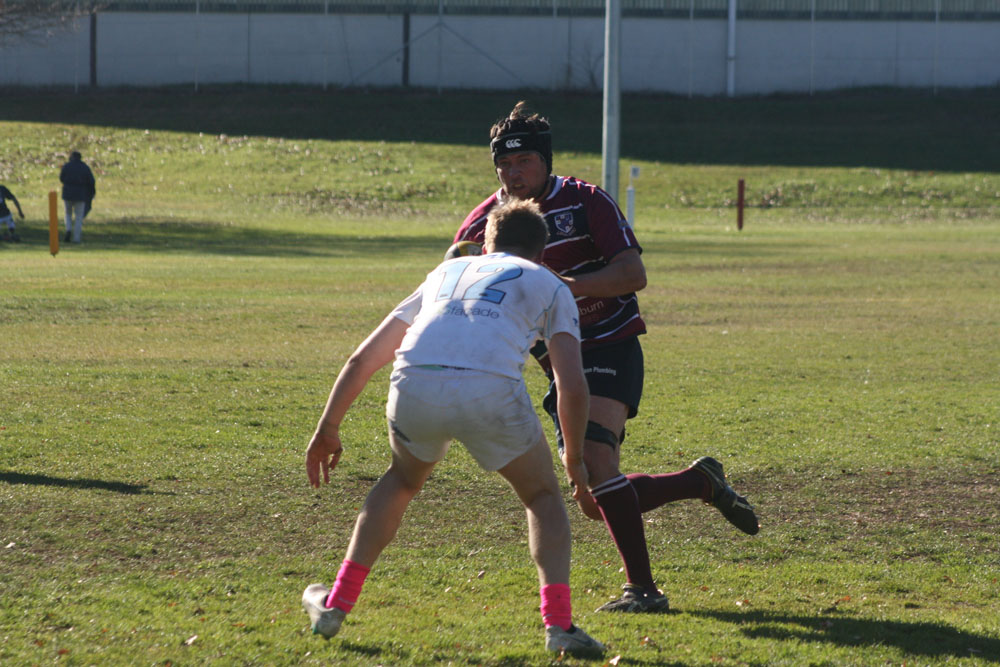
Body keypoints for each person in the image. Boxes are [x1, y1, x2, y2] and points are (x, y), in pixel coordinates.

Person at [453, 102, 760, 614]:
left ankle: (644, 591)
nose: (514, 173)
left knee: (595, 463)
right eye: (504, 164)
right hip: (556, 362)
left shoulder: (585, 200)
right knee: (597, 500)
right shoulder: (485, 222)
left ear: (546, 161)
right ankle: (699, 481)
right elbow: (460, 282)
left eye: (525, 161)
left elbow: (633, 275)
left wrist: (562, 287)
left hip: (608, 343)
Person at [302, 199, 604, 655]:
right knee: (543, 497)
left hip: (415, 382)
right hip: (489, 390)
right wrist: (575, 459)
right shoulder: (549, 282)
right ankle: (559, 625)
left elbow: (362, 358)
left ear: (486, 244)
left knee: (401, 481)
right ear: (542, 252)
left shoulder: (445, 272)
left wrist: (328, 426)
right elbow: (571, 384)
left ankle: (336, 604)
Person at [60, 151, 96, 244]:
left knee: (68, 214)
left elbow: (61, 178)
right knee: (79, 217)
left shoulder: (67, 166)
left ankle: (68, 229)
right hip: (81, 195)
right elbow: (91, 181)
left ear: (71, 157)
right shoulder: (85, 167)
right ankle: (76, 238)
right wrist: (91, 193)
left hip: (68, 193)